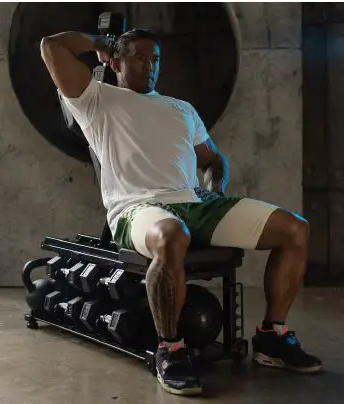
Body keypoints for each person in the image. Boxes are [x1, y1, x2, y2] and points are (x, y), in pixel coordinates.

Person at [40, 28, 323, 396]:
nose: (150, 65)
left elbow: (213, 160)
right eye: (139, 57)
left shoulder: (181, 108)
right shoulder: (95, 99)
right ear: (117, 63)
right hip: (137, 208)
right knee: (172, 234)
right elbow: (52, 46)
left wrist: (214, 190)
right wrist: (101, 43)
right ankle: (170, 350)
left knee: (294, 229)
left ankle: (272, 335)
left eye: (155, 59)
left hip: (194, 203)